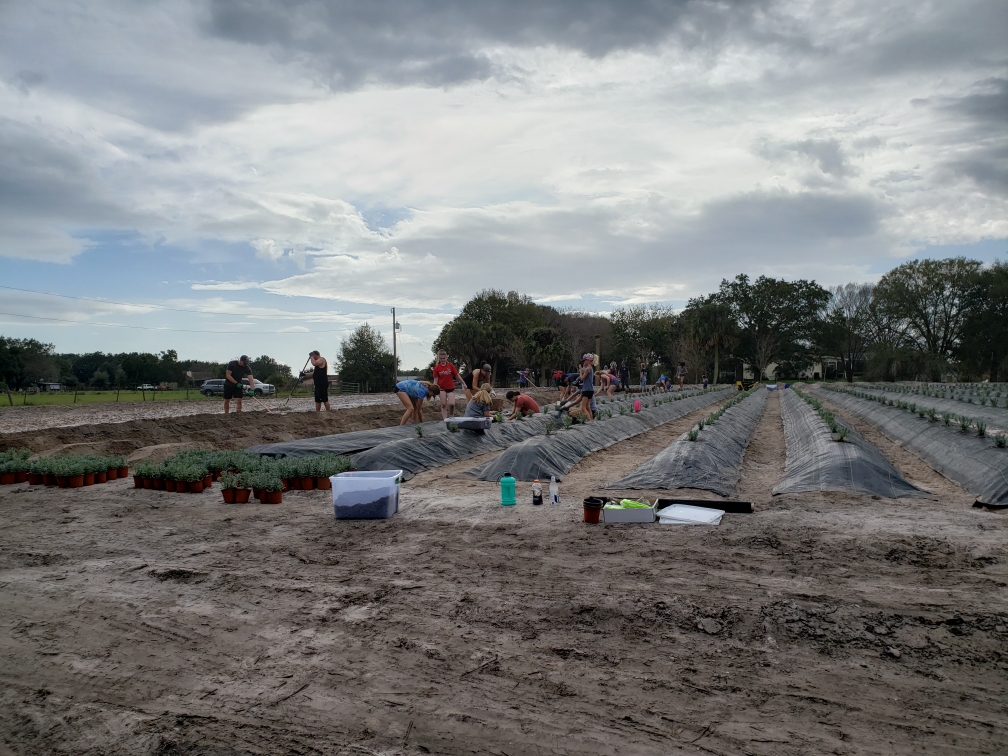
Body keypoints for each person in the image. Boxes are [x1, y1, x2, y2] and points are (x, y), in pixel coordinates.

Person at [431, 350, 462, 420]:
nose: (442, 360)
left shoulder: (450, 365)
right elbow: (435, 380)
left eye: (444, 358)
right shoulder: (437, 368)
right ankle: (445, 419)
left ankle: (451, 415)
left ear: (446, 358)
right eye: (441, 358)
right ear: (439, 359)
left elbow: (457, 375)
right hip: (441, 388)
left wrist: (463, 383)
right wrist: (434, 387)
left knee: (451, 403)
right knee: (443, 404)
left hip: (450, 388)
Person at [578, 353, 595, 421]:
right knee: (588, 407)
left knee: (583, 408)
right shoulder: (590, 368)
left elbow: (581, 378)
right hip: (590, 390)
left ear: (589, 360)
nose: (584, 361)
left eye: (585, 360)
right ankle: (591, 420)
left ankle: (589, 421)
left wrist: (580, 371)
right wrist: (582, 369)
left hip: (586, 390)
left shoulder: (588, 369)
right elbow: (584, 370)